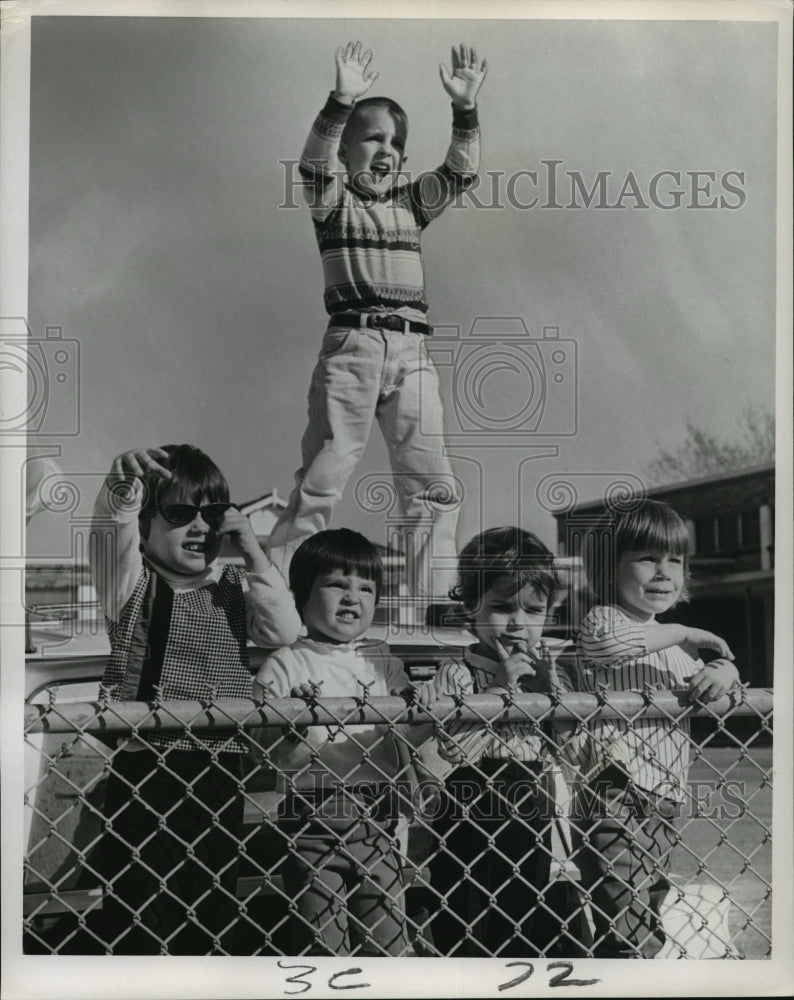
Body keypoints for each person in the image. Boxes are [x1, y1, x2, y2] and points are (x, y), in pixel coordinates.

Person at [266, 41, 487, 601]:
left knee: (432, 483)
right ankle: (277, 586)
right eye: (373, 138)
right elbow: (311, 162)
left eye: (396, 143)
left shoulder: (411, 206)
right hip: (354, 344)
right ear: (346, 150)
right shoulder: (332, 202)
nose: (387, 150)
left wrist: (464, 110)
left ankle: (432, 601)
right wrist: (341, 101)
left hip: (412, 352)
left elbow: (461, 172)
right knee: (325, 473)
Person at [90, 444, 301, 954]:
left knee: (211, 909)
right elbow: (108, 539)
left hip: (219, 774)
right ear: (144, 527)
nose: (200, 528)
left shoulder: (234, 585)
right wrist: (121, 492)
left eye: (213, 516)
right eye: (181, 515)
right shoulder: (131, 585)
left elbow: (284, 630)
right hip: (147, 772)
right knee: (141, 912)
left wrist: (252, 550)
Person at [253, 528, 434, 956]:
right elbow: (260, 748)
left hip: (379, 819)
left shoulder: (382, 661)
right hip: (311, 816)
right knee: (322, 942)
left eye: (366, 588)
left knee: (387, 941)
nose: (352, 597)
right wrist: (291, 722)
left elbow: (410, 735)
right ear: (300, 596)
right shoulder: (286, 663)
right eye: (336, 584)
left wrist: (422, 706)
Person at [573, 498, 741, 958]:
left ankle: (636, 968)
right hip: (613, 788)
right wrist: (687, 632)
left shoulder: (675, 651)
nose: (664, 572)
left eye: (675, 560)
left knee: (649, 901)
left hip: (665, 796)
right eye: (647, 558)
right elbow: (610, 644)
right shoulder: (604, 620)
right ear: (610, 569)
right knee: (625, 916)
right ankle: (632, 975)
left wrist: (724, 671)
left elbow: (726, 700)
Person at [423, 526, 576, 957]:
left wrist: (555, 696)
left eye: (533, 609)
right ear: (471, 607)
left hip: (530, 800)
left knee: (525, 908)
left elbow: (568, 749)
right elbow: (455, 750)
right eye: (502, 607)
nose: (518, 623)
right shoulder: (458, 672)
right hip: (469, 801)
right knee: (466, 911)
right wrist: (499, 693)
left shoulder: (547, 671)